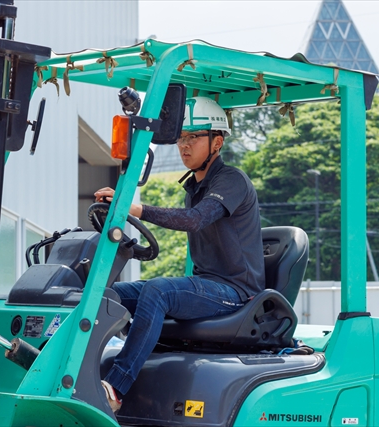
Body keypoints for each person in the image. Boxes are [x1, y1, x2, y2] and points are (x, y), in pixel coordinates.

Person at [94, 97, 265, 413]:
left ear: (217, 141)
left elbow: (194, 220)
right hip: (207, 286)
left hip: (237, 291)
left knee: (158, 291)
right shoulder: (195, 187)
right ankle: (82, 371)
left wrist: (135, 208)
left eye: (193, 137)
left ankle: (116, 388)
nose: (184, 145)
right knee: (109, 292)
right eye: (180, 138)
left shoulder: (231, 180)